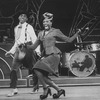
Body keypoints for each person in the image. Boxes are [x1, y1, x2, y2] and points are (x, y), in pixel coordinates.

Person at [27, 12, 81, 99]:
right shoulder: (40, 33)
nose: (45, 23)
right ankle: (59, 90)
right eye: (44, 22)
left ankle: (46, 88)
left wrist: (77, 33)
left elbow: (69, 40)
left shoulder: (55, 31)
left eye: (47, 21)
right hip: (46, 56)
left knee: (36, 68)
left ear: (51, 23)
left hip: (54, 55)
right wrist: (25, 45)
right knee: (41, 75)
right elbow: (33, 46)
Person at [5, 11, 40, 97]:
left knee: (34, 68)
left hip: (28, 48)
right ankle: (14, 89)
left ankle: (35, 87)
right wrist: (11, 51)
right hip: (18, 49)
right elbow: (16, 42)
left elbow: (35, 39)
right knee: (13, 69)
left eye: (24, 16)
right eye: (21, 16)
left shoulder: (29, 27)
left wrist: (37, 51)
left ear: (27, 19)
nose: (22, 17)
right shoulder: (16, 28)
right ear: (18, 18)